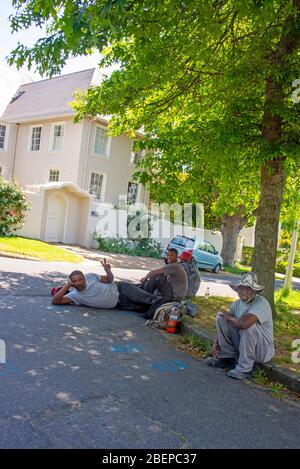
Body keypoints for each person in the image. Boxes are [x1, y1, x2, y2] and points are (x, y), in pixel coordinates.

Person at [206, 272, 275, 380]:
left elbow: (244, 323)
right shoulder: (236, 304)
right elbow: (226, 322)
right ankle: (226, 357)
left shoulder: (262, 303)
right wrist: (216, 343)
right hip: (244, 344)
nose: (243, 292)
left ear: (254, 290)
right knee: (221, 318)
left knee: (248, 326)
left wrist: (229, 317)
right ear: (237, 289)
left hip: (262, 350)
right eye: (241, 289)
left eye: (248, 289)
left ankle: (245, 369)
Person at [52, 259, 170, 318]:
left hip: (121, 289)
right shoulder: (74, 295)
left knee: (150, 300)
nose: (78, 282)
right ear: (72, 282)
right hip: (120, 304)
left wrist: (108, 271)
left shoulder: (90, 277)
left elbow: (109, 279)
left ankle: (172, 302)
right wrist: (67, 285)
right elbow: (55, 301)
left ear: (84, 278)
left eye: (80, 279)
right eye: (75, 281)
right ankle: (168, 310)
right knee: (145, 309)